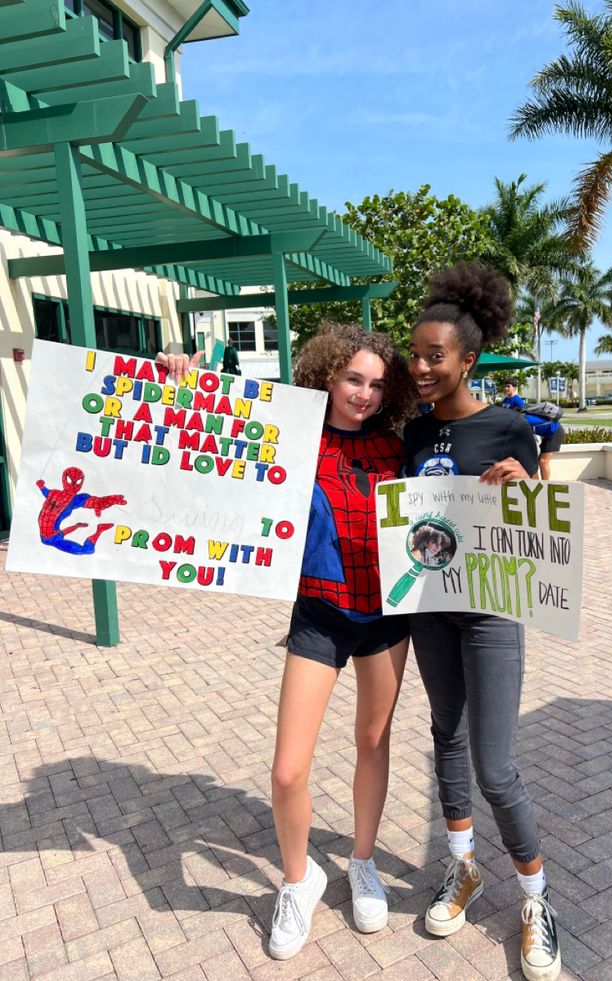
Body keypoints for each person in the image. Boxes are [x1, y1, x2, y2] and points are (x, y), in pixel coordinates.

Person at [156, 328, 415, 960]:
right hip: (320, 612)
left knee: (372, 741)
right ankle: (299, 881)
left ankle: (361, 861)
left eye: (379, 384)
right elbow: (214, 444)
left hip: (387, 613)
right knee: (287, 769)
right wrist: (179, 388)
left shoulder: (397, 446)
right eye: (354, 379)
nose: (365, 394)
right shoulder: (288, 436)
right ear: (327, 375)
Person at [404, 262, 561, 981]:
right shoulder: (411, 432)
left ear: (469, 359)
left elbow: (534, 527)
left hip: (492, 613)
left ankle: (535, 897)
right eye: (416, 354)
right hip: (431, 612)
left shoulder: (510, 427)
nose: (422, 366)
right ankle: (463, 868)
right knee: (446, 736)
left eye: (436, 356)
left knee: (496, 765)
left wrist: (527, 488)